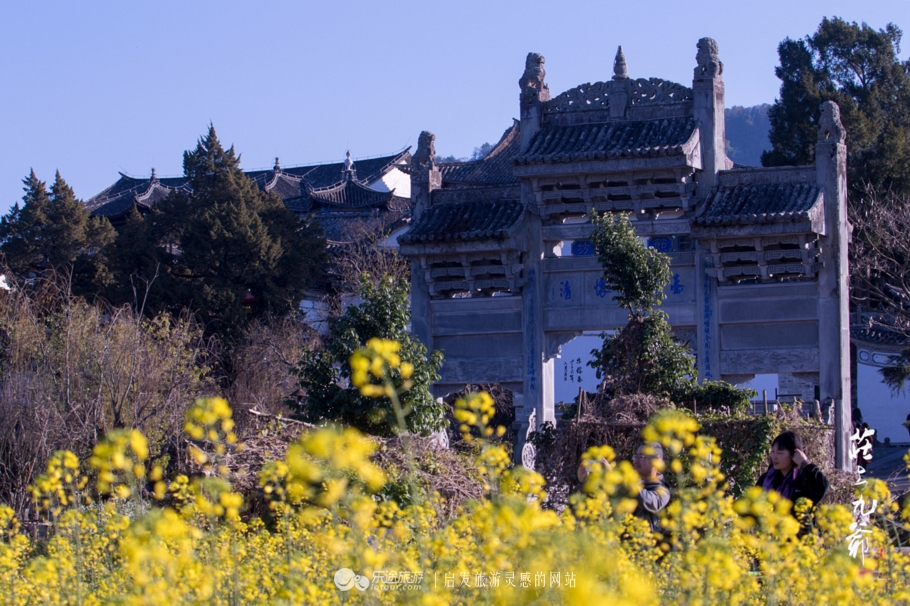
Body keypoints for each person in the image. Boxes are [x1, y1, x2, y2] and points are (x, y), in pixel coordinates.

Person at [577, 442, 671, 533]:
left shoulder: (662, 490)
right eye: (636, 456)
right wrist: (586, 481)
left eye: (641, 456)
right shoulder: (628, 482)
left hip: (639, 545)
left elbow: (649, 501)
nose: (636, 460)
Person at [755, 431, 828, 506]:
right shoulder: (767, 479)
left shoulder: (803, 480)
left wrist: (805, 463)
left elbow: (822, 486)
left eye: (780, 453)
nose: (774, 456)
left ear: (794, 454)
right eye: (773, 451)